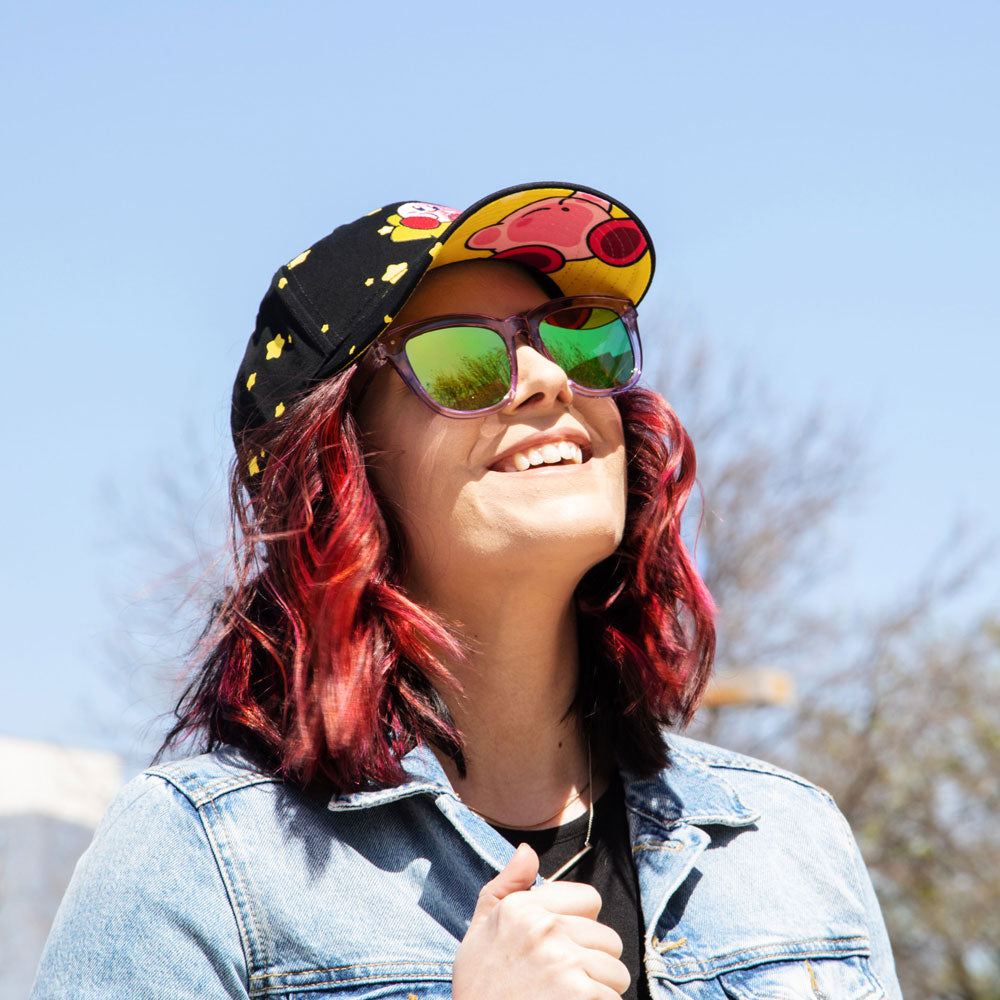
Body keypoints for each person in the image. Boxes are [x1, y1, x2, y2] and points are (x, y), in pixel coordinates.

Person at [31, 182, 903, 999]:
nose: (549, 378)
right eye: (461, 360)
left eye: (578, 337)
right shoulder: (199, 857)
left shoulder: (786, 841)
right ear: (340, 467)